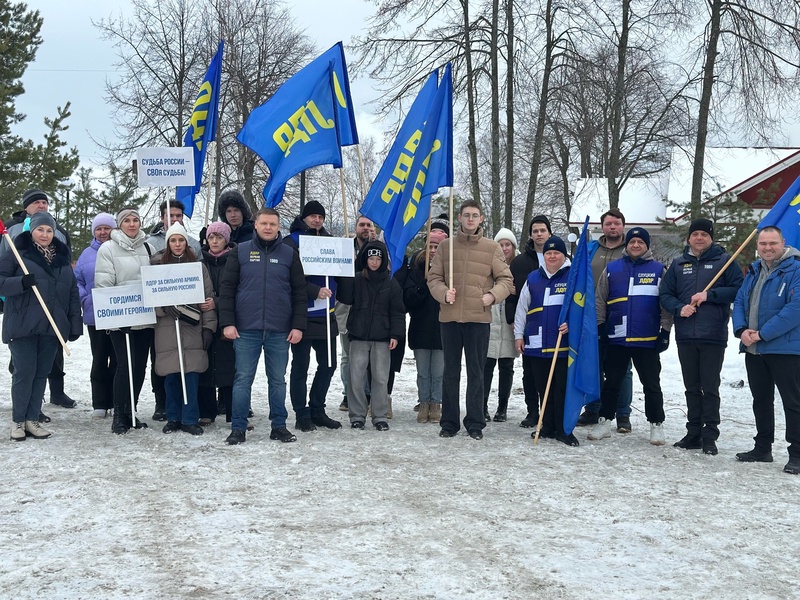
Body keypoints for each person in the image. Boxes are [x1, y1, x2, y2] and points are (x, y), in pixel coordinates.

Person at [219, 207, 307, 445]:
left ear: (279, 227)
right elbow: (226, 290)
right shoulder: (240, 252)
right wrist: (227, 322)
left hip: (280, 330)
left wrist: (298, 325)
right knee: (242, 379)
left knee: (277, 380)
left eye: (273, 224)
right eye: (264, 223)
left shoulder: (290, 254)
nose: (268, 228)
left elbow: (300, 293)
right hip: (246, 329)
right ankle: (238, 427)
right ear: (256, 225)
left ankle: (279, 425)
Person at [427, 200, 514, 440]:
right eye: (466, 215)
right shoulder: (446, 247)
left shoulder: (491, 248)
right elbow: (433, 278)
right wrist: (443, 293)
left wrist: (491, 296)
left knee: (476, 372)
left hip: (478, 319)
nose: (470, 219)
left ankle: (475, 422)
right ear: (460, 218)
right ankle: (449, 422)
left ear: (481, 219)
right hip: (450, 318)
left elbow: (507, 281)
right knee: (450, 372)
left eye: (475, 215)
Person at [660, 218, 743, 455]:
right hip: (686, 335)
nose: (699, 238)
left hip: (713, 335)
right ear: (688, 238)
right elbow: (665, 295)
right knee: (691, 387)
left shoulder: (725, 262)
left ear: (711, 238)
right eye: (695, 234)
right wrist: (679, 308)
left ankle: (709, 435)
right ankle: (693, 432)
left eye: (704, 235)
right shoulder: (678, 264)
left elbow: (740, 289)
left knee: (710, 386)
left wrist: (711, 295)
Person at [0, 211, 82, 440]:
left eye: (49, 230)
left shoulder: (62, 259)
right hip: (23, 325)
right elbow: (1, 282)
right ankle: (18, 421)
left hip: (51, 327)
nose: (45, 234)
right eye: (40, 230)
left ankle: (32, 419)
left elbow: (72, 293)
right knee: (24, 373)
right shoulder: (16, 254)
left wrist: (74, 323)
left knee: (41, 373)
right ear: (31, 231)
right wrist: (21, 283)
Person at [589, 227, 672, 445]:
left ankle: (656, 424)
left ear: (647, 246)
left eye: (640, 242)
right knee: (612, 382)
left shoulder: (658, 270)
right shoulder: (612, 268)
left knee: (652, 384)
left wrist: (665, 331)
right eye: (632, 242)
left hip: (647, 339)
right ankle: (605, 421)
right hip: (617, 337)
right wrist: (600, 326)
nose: (636, 245)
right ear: (627, 245)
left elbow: (665, 303)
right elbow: (600, 299)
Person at [732, 226, 800, 475]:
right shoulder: (754, 270)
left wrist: (762, 334)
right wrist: (741, 330)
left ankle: (797, 453)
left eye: (773, 243)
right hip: (754, 348)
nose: (768, 248)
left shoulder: (796, 270)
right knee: (761, 400)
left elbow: (795, 309)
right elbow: (740, 301)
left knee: (793, 402)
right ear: (757, 246)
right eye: (763, 244)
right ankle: (762, 448)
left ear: (783, 242)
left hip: (785, 349)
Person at [94, 207, 156, 434]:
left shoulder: (147, 247)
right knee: (125, 366)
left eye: (136, 220)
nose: (132, 224)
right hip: (122, 320)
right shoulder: (108, 248)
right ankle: (119, 414)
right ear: (120, 225)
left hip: (146, 318)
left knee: (139, 367)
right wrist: (117, 316)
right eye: (127, 221)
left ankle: (131, 411)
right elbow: (103, 284)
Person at [152, 223, 217, 436]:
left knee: (191, 375)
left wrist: (208, 327)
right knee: (171, 377)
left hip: (192, 327)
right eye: (173, 240)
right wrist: (164, 306)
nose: (177, 244)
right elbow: (150, 298)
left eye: (181, 240)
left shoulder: (198, 267)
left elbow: (207, 298)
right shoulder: (157, 266)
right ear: (168, 243)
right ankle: (173, 417)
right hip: (167, 328)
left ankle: (190, 418)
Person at [285, 200, 344, 432]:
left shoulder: (330, 242)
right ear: (304, 218)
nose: (317, 220)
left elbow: (340, 272)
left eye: (320, 216)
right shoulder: (291, 243)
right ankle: (302, 414)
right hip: (302, 315)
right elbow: (290, 277)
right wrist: (313, 291)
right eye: (312, 216)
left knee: (328, 365)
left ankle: (318, 409)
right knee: (300, 366)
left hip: (327, 314)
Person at [513, 236, 577, 446]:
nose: (552, 256)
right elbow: (522, 308)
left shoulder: (573, 277)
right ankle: (546, 425)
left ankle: (563, 429)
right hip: (537, 343)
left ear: (563, 255)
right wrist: (519, 335)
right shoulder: (533, 278)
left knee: (561, 388)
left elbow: (581, 309)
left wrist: (572, 324)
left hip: (562, 344)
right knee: (543, 387)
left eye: (556, 253)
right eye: (548, 253)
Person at [338, 241, 405, 430]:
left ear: (383, 261)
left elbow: (398, 312)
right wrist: (343, 276)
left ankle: (380, 415)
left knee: (381, 378)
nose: (374, 262)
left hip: (382, 338)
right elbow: (345, 297)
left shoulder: (391, 282)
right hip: (359, 335)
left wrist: (395, 335)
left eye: (378, 259)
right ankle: (357, 415)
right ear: (365, 260)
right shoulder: (357, 278)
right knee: (356, 377)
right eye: (371, 259)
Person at [579, 207, 634, 430]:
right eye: (609, 224)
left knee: (623, 367)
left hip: (622, 314)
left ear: (623, 226)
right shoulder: (591, 249)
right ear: (602, 227)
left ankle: (623, 414)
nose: (613, 227)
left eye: (617, 223)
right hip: (592, 315)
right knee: (594, 363)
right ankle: (593, 409)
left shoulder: (631, 249)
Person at [506, 215, 551, 427]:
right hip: (530, 324)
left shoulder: (562, 258)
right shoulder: (520, 262)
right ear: (530, 235)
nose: (539, 234)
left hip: (554, 324)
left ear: (549, 233)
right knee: (530, 371)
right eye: (535, 231)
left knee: (553, 371)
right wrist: (513, 321)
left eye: (543, 230)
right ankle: (533, 411)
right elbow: (512, 295)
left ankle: (550, 411)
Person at [74, 212, 117, 419]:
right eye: (99, 229)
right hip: (95, 316)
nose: (102, 232)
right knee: (99, 358)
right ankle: (100, 402)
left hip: (119, 314)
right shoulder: (86, 254)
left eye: (106, 228)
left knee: (118, 359)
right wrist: (85, 299)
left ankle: (117, 399)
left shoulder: (119, 249)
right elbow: (77, 281)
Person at [404, 227, 447, 424]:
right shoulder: (416, 268)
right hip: (420, 328)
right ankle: (423, 403)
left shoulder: (449, 269)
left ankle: (435, 403)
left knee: (438, 372)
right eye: (430, 245)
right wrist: (423, 284)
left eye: (437, 246)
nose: (433, 250)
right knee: (423, 372)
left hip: (441, 329)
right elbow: (409, 298)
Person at [337, 214, 377, 412]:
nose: (365, 228)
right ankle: (348, 394)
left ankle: (366, 394)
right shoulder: (345, 248)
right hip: (346, 309)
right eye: (362, 225)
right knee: (347, 356)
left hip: (369, 309)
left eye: (368, 225)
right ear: (355, 228)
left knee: (367, 356)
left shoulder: (376, 248)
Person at [198, 221, 236, 424]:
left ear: (226, 240)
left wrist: (217, 302)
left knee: (229, 367)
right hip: (204, 320)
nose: (214, 241)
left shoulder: (234, 260)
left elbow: (239, 291)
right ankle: (207, 411)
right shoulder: (200, 261)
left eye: (219, 237)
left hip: (229, 320)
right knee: (205, 364)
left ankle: (233, 410)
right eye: (211, 237)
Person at [485, 227, 519, 422]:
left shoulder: (519, 265)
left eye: (508, 244)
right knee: (486, 367)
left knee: (506, 367)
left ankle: (502, 407)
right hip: (490, 322)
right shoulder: (489, 265)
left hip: (509, 324)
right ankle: (482, 405)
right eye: (501, 244)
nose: (504, 248)